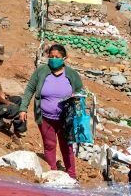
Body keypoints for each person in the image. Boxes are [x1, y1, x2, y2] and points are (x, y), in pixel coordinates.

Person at [19, 44, 83, 179]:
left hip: (65, 118)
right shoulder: (41, 71)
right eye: (51, 57)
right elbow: (30, 89)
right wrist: (23, 108)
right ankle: (51, 173)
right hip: (45, 117)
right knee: (49, 145)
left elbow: (80, 92)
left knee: (67, 146)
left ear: (64, 58)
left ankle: (71, 175)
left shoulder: (72, 74)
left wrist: (75, 100)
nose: (54, 59)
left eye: (57, 57)